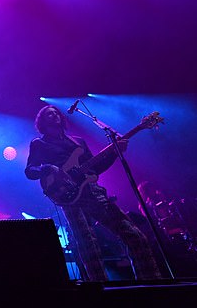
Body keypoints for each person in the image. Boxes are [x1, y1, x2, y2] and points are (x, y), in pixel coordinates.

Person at [25, 105, 162, 282]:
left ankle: (151, 282)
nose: (54, 115)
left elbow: (95, 168)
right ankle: (99, 289)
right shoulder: (39, 143)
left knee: (134, 235)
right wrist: (49, 168)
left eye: (55, 113)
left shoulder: (77, 142)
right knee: (87, 243)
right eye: (48, 114)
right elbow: (30, 171)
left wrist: (114, 153)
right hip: (68, 196)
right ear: (42, 121)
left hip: (92, 192)